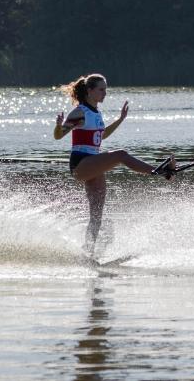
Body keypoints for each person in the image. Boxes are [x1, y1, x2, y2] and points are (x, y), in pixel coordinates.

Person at [53, 73, 176, 255]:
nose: (105, 93)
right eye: (101, 89)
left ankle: (88, 253)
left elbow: (102, 136)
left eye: (106, 89)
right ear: (90, 91)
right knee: (121, 155)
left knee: (96, 217)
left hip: (93, 165)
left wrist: (120, 120)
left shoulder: (96, 113)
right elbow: (58, 135)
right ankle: (159, 172)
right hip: (81, 164)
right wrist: (58, 125)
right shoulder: (80, 112)